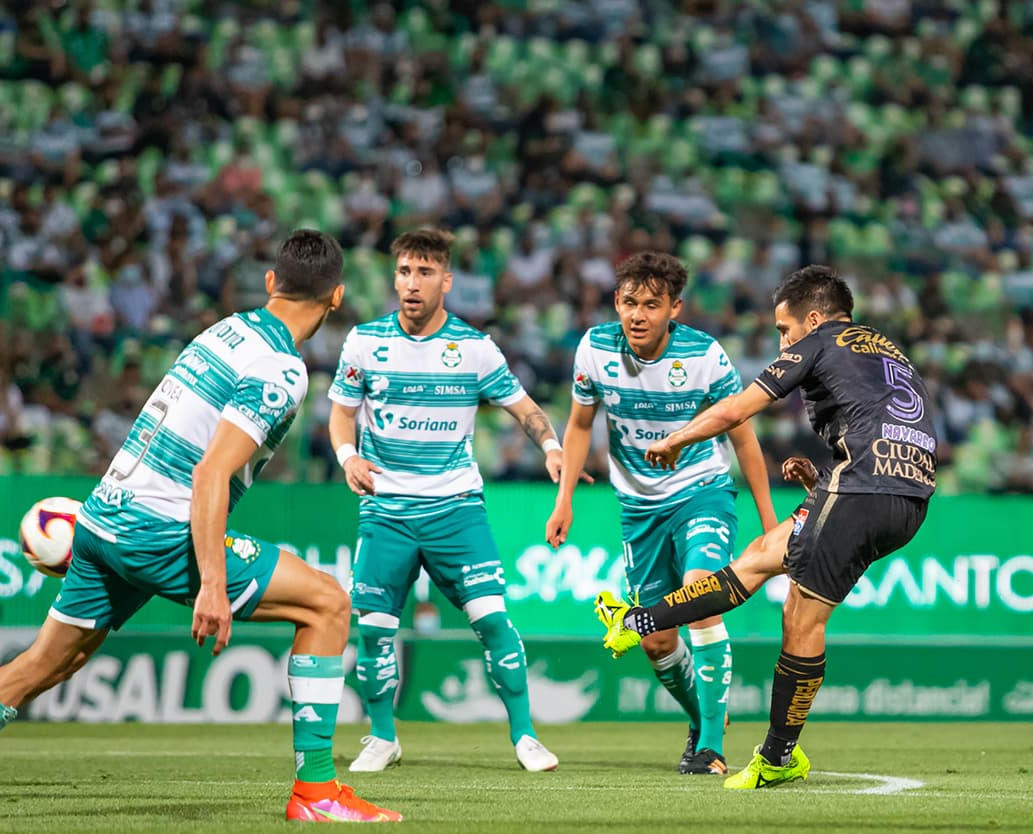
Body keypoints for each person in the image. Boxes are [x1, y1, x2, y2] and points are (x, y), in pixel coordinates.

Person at [0, 230, 403, 824]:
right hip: (160, 527)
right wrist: (211, 584)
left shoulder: (224, 331)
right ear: (336, 299)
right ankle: (316, 794)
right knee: (328, 604)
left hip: (103, 517)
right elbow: (209, 475)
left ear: (270, 283)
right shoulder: (280, 369)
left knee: (45, 662)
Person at [596, 265, 935, 789]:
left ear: (814, 318)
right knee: (759, 556)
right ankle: (638, 621)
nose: (782, 342)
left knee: (800, 615)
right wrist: (824, 482)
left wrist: (677, 440)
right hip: (906, 495)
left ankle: (777, 757)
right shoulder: (887, 349)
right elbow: (883, 426)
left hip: (862, 489)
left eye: (783, 330)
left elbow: (736, 410)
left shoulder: (821, 340)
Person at [328, 228, 563, 773]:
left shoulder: (474, 349)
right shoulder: (364, 342)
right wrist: (347, 457)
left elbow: (524, 408)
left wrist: (550, 447)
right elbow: (341, 410)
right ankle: (383, 736)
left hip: (456, 507)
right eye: (405, 271)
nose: (413, 283)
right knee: (375, 627)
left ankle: (526, 736)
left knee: (493, 619)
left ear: (447, 281)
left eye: (425, 272)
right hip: (387, 510)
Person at [545, 251, 777, 776]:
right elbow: (581, 426)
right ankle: (705, 718)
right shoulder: (594, 349)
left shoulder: (704, 356)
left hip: (702, 491)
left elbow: (742, 436)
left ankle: (712, 748)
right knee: (655, 639)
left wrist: (769, 525)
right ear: (616, 303)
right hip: (638, 507)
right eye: (629, 302)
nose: (638, 315)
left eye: (652, 304)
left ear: (675, 307)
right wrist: (565, 499)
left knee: (699, 595)